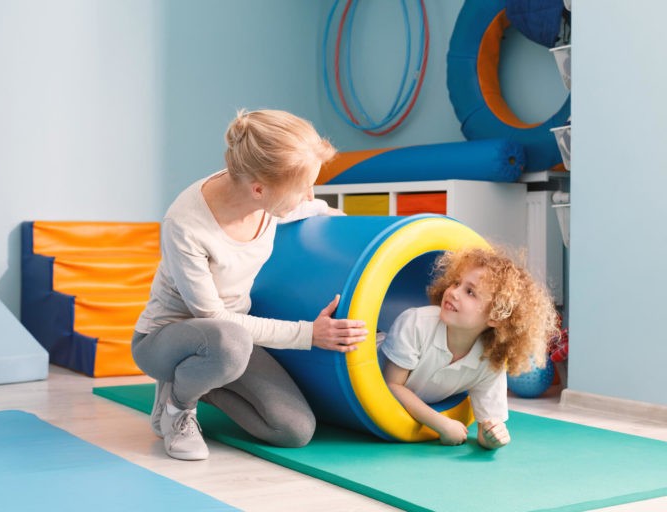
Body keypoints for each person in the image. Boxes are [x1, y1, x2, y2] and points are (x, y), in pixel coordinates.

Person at [132, 109, 368, 461]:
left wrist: (341, 221)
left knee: (293, 430)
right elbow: (214, 317)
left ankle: (196, 381)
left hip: (232, 344)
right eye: (303, 188)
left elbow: (304, 208)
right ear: (259, 190)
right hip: (168, 339)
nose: (308, 195)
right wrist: (309, 334)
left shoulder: (265, 196)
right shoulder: (185, 224)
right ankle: (178, 407)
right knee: (229, 340)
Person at [380, 246, 558, 449]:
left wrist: (493, 437)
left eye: (470, 292)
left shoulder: (490, 360)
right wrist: (442, 424)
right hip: (362, 357)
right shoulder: (417, 322)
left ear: (495, 316)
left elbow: (485, 428)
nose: (454, 292)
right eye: (456, 282)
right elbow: (392, 386)